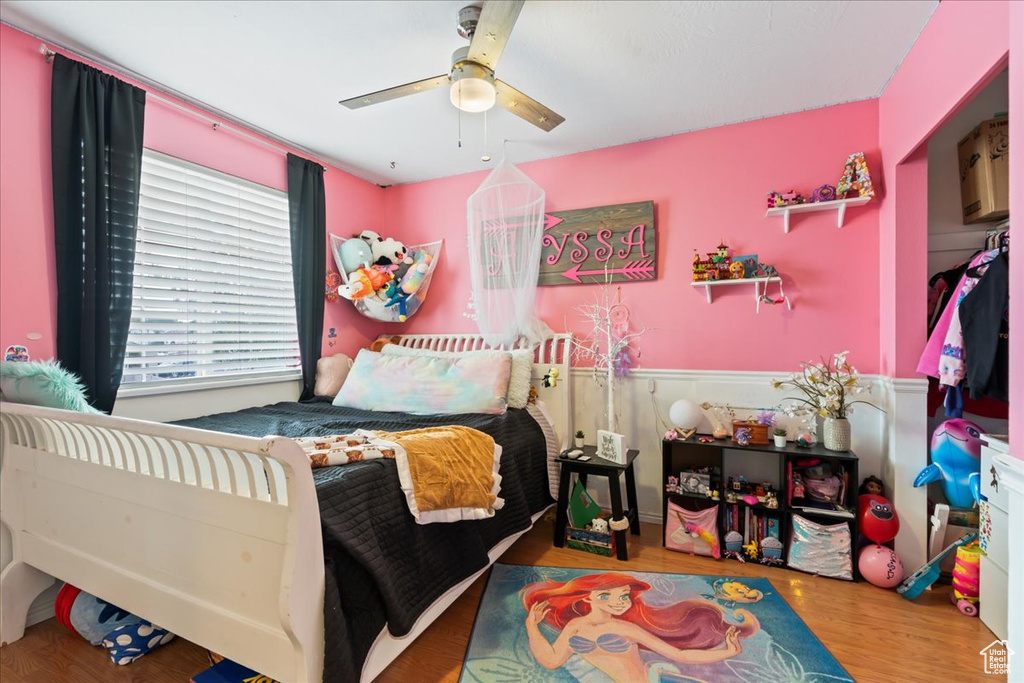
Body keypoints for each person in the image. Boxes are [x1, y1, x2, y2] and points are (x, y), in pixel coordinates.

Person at [523, 572, 759, 682]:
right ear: (588, 598)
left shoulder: (626, 628)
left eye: (624, 596)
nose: (619, 602)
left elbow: (678, 655)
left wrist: (728, 652)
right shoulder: (575, 626)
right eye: (606, 596)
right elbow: (552, 660)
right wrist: (531, 626)